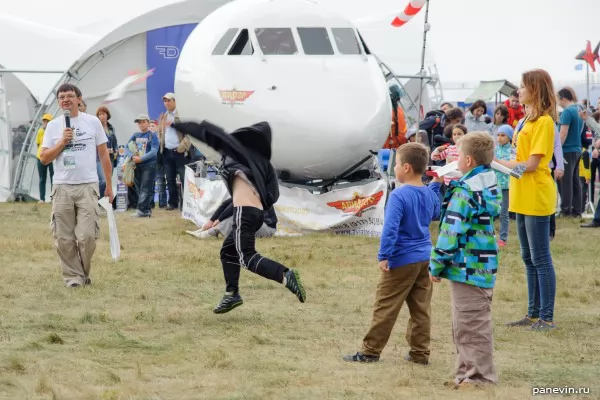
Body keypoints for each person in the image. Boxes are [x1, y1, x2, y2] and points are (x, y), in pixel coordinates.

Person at [171, 120, 306, 313]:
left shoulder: (238, 152)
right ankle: (232, 294)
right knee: (228, 251)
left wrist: (180, 126)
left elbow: (210, 133)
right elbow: (273, 195)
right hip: (256, 212)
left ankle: (285, 275)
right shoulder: (264, 163)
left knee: (247, 257)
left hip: (244, 212)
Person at [343, 143, 442, 364]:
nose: (395, 167)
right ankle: (420, 353)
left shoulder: (399, 195)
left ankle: (370, 351)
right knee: (421, 309)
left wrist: (384, 255)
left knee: (385, 306)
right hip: (425, 257)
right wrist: (436, 186)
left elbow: (390, 228)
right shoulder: (427, 192)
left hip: (401, 259)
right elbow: (436, 211)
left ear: (405, 167)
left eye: (396, 163)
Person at [430, 132, 501, 388]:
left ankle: (480, 378)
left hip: (468, 268)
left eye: (458, 155)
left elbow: (450, 232)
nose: (456, 159)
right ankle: (464, 373)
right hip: (479, 267)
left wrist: (436, 264)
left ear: (468, 160)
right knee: (465, 323)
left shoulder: (464, 192)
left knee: (471, 325)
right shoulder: (488, 183)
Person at [496, 69, 557, 331]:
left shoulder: (544, 123)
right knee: (527, 257)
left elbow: (532, 165)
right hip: (520, 193)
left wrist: (497, 163)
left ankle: (546, 317)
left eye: (522, 86)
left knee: (540, 257)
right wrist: (501, 164)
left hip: (536, 193)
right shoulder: (523, 122)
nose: (518, 91)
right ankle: (532, 314)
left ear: (535, 89)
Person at [39, 83, 114, 288]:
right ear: (58, 101)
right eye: (62, 97)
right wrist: (62, 142)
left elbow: (103, 155)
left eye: (70, 96)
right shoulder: (53, 126)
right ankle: (74, 278)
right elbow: (44, 158)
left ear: (79, 99)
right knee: (64, 237)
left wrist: (109, 184)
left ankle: (82, 272)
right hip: (62, 187)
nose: (66, 99)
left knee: (87, 236)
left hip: (88, 186)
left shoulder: (93, 122)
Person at [158, 93, 192, 211]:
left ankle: (186, 204)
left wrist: (182, 147)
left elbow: (189, 134)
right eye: (165, 101)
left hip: (180, 153)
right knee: (170, 179)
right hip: (167, 152)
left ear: (175, 101)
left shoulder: (181, 115)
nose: (166, 103)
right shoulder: (164, 116)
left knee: (184, 178)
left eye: (169, 100)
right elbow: (161, 132)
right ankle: (173, 203)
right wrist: (162, 145)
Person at [124, 114, 159, 218]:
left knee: (145, 188)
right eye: (139, 122)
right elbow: (126, 147)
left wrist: (141, 159)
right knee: (139, 188)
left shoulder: (153, 135)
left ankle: (141, 211)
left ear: (148, 122)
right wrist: (132, 156)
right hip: (137, 165)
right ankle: (146, 210)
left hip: (149, 165)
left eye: (143, 122)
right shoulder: (135, 135)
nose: (141, 124)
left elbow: (154, 151)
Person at [556, 87, 584, 217]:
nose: (558, 103)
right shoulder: (578, 109)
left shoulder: (567, 111)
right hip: (577, 149)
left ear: (563, 99)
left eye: (558, 100)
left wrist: (557, 150)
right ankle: (577, 209)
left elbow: (563, 133)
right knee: (575, 180)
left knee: (565, 180)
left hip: (567, 149)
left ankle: (566, 209)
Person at [198, 198, 277, 239]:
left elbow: (234, 205)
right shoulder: (247, 189)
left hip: (267, 229)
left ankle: (212, 232)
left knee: (239, 215)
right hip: (258, 225)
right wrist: (211, 220)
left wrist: (219, 220)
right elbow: (225, 204)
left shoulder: (255, 190)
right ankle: (210, 230)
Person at [495, 125, 514, 247]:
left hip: (506, 186)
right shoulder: (495, 150)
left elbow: (512, 165)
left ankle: (503, 238)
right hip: (494, 185)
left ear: (510, 137)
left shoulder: (513, 151)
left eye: (503, 135)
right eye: (498, 135)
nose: (500, 138)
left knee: (503, 212)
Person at [36, 113, 54, 203]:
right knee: (42, 178)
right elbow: (38, 144)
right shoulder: (40, 131)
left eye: (48, 121)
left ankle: (53, 197)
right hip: (40, 158)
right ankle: (42, 199)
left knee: (53, 178)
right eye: (44, 121)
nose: (46, 122)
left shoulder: (53, 132)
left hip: (51, 157)